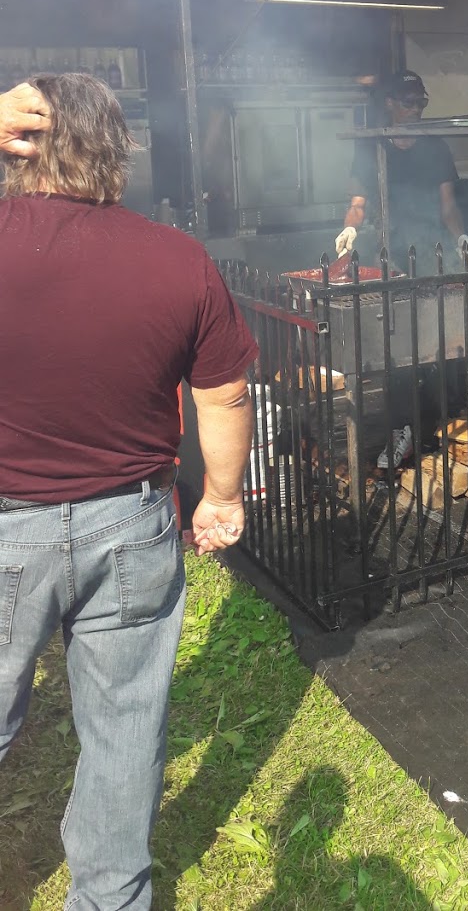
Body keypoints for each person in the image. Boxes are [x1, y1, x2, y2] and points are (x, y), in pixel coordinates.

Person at [0, 73, 258, 911]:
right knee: (122, 733)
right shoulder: (177, 258)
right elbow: (224, 395)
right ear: (118, 149)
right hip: (133, 528)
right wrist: (222, 496)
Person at [335, 69, 468, 270]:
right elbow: (358, 204)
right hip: (387, 251)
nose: (415, 109)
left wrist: (461, 236)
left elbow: (449, 206)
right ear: (389, 103)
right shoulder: (372, 147)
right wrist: (349, 228)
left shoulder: (436, 148)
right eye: (408, 103)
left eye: (421, 103)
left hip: (431, 248)